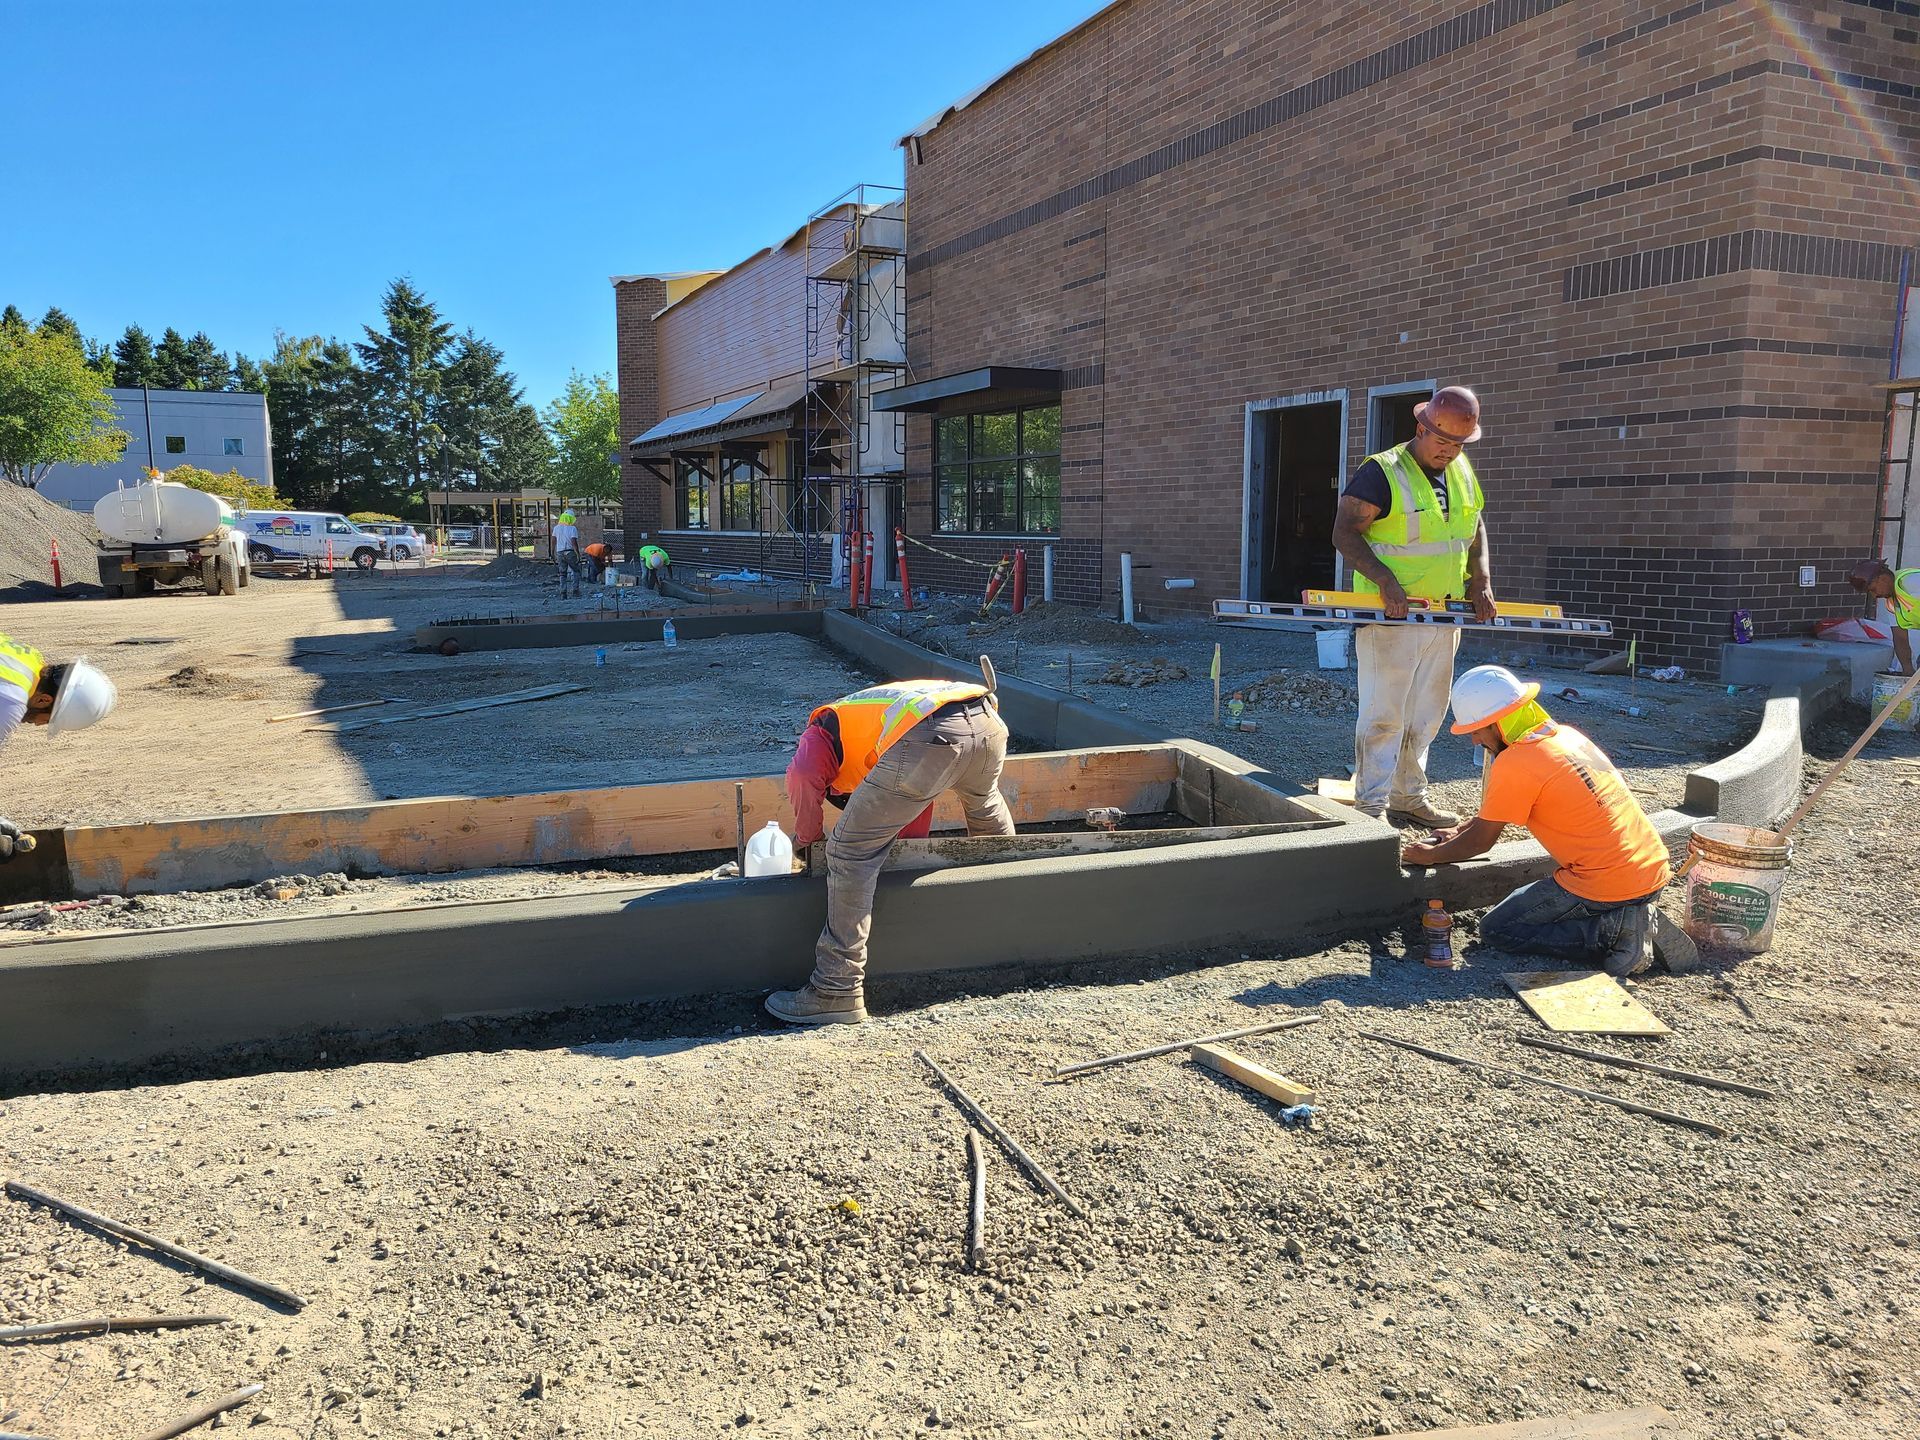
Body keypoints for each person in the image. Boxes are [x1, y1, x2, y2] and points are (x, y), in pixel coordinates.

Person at [1401, 665, 1693, 976]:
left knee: (1499, 929)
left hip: (1607, 883)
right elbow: (1487, 821)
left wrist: (1428, 855)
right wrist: (1458, 831)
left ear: (1499, 725)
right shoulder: (1566, 737)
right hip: (1651, 869)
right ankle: (1633, 914)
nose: (1475, 741)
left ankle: (1614, 930)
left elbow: (1481, 842)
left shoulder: (1516, 762)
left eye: (1477, 730)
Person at [767, 678, 1015, 1025]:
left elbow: (804, 776)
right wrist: (902, 856)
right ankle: (1018, 925)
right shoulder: (864, 724)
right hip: (985, 719)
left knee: (848, 851)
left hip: (929, 735)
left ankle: (836, 989)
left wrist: (808, 841)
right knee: (984, 807)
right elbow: (911, 799)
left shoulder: (819, 734)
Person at [1331, 385, 1497, 827]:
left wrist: (1479, 580)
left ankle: (1409, 797)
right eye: (1442, 441)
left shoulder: (1462, 472)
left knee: (1426, 714)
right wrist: (1385, 581)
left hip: (1444, 617)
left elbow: (1473, 527)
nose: (1449, 452)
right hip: (1391, 619)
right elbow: (1344, 533)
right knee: (1384, 714)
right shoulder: (1382, 472)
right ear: (1420, 428)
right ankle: (1370, 807)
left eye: (1459, 444)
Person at [0, 636, 118, 862]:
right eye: (49, 720)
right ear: (44, 700)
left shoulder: (27, 659)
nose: (39, 724)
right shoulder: (11, 700)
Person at [1849, 558, 1918, 675]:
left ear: (1883, 579)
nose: (1874, 596)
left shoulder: (1912, 582)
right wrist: (1908, 670)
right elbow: (1900, 637)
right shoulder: (1892, 603)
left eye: (1873, 590)